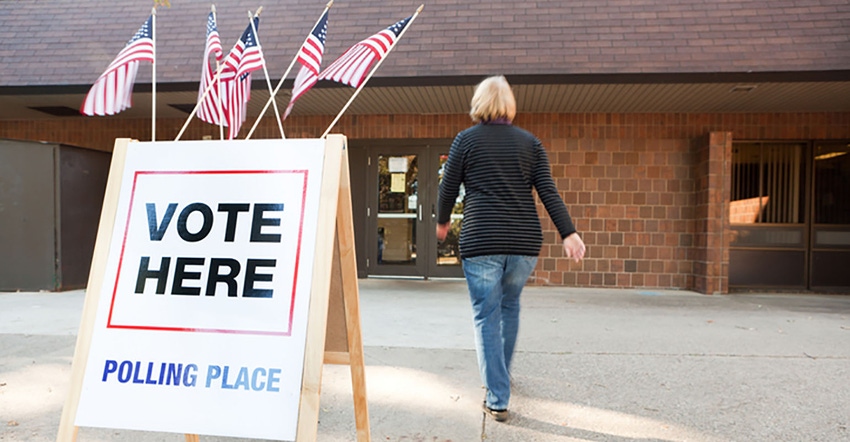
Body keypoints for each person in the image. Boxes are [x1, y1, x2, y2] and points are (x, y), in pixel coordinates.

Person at [436, 75, 586, 422]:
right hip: (523, 243)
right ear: (509, 104)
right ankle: (500, 379)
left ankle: (498, 395)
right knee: (509, 306)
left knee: (486, 315)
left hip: (482, 239)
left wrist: (442, 222)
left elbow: (448, 189)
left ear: (479, 103)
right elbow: (548, 191)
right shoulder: (530, 143)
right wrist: (569, 233)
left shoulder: (465, 141)